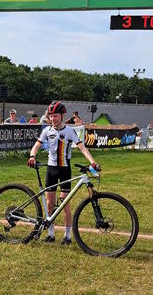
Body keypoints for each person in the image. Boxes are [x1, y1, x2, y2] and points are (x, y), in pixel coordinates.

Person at [28, 101, 99, 245]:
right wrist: (32, 156)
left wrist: (92, 162)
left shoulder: (69, 131)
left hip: (65, 170)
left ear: (63, 115)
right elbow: (36, 146)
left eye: (56, 116)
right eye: (51, 116)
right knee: (50, 204)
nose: (53, 119)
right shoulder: (47, 131)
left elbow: (82, 148)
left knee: (65, 203)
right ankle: (51, 234)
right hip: (51, 169)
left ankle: (67, 236)